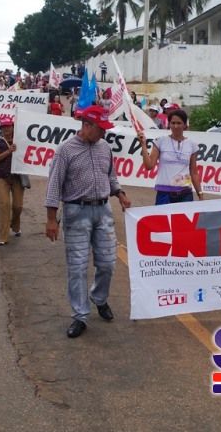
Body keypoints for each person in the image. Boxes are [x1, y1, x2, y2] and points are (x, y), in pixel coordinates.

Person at [45, 105, 131, 338]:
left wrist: (120, 193)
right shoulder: (65, 150)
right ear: (87, 125)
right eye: (100, 129)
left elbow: (110, 176)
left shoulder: (105, 147)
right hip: (76, 213)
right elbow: (54, 185)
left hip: (103, 211)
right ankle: (80, 315)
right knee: (78, 267)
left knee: (108, 263)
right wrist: (51, 219)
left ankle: (99, 297)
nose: (104, 133)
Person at [137, 108, 203, 204]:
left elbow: (194, 172)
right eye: (173, 123)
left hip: (185, 194)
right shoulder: (160, 141)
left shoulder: (192, 145)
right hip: (164, 194)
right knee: (162, 219)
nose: (175, 126)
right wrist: (143, 145)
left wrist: (200, 194)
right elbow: (149, 166)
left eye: (179, 123)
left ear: (185, 125)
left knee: (183, 220)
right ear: (169, 124)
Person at [0, 115, 25, 246]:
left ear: (13, 127)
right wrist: (9, 152)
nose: (7, 130)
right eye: (4, 127)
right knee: (4, 205)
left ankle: (15, 225)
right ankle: (3, 236)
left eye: (9, 127)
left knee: (18, 206)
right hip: (1, 177)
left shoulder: (20, 140)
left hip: (17, 177)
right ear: (1, 129)